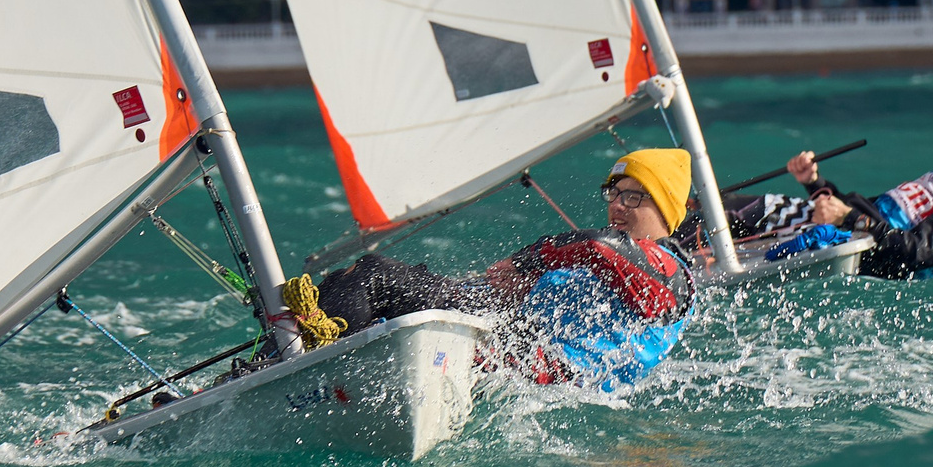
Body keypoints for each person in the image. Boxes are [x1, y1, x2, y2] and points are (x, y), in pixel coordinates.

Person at [298, 148, 698, 390]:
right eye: (614, 192)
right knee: (361, 279)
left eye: (633, 196)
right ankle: (290, 360)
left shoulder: (672, 273)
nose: (616, 205)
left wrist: (527, 261)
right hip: (505, 334)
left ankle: (298, 375)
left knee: (376, 277)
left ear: (664, 208)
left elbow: (597, 247)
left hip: (547, 371)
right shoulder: (605, 265)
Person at [720, 99, 933, 279]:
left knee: (741, 214)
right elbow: (865, 212)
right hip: (850, 234)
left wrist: (848, 218)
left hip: (861, 253)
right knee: (725, 206)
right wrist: (814, 183)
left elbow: (919, 251)